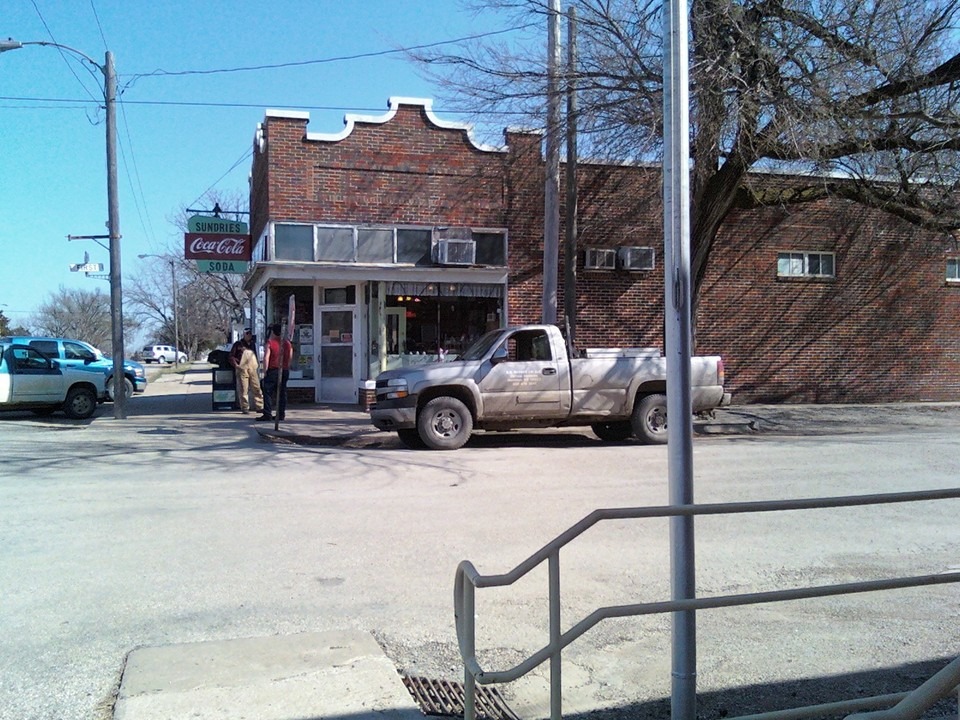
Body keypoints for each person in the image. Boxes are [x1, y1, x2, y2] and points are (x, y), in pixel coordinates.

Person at [258, 323, 293, 422]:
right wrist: (287, 368)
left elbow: (266, 358)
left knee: (267, 391)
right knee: (282, 393)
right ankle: (281, 414)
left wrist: (265, 371)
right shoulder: (287, 343)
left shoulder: (270, 343)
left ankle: (267, 413)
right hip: (284, 370)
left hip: (273, 370)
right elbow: (290, 358)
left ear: (273, 332)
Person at [230, 329, 264, 415]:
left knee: (257, 388)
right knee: (243, 389)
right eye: (247, 334)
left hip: (253, 369)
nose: (249, 335)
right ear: (244, 335)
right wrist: (236, 365)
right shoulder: (238, 344)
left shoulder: (253, 345)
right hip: (242, 369)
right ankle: (245, 408)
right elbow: (231, 356)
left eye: (250, 334)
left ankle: (259, 407)